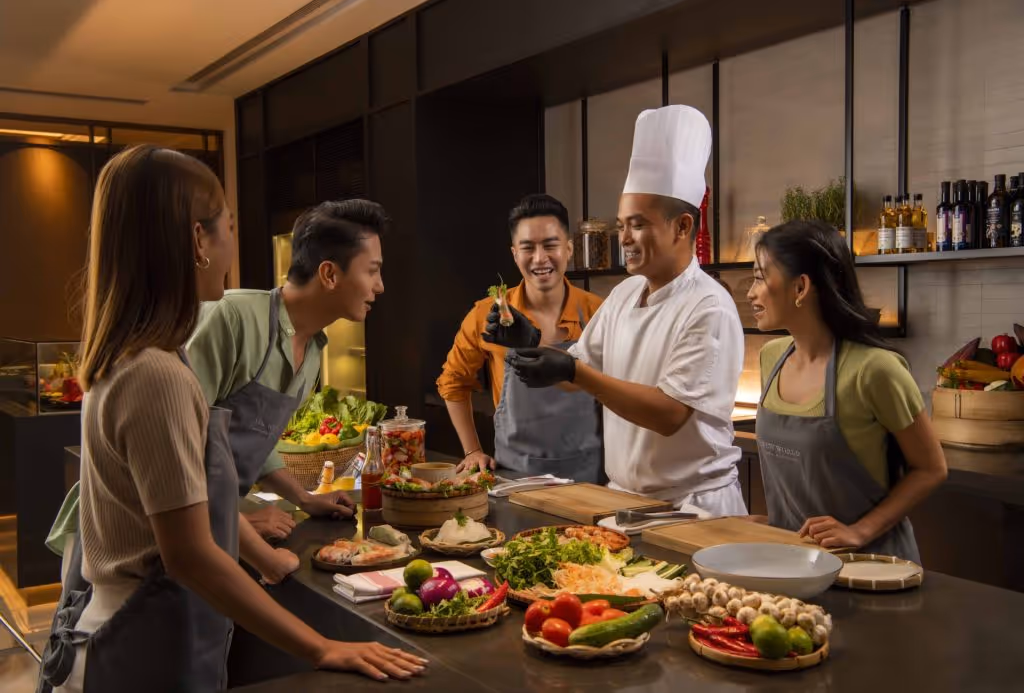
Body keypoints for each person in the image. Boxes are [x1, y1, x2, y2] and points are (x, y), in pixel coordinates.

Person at [39, 146, 425, 693]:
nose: (232, 245)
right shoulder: (158, 374)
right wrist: (322, 646)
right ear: (198, 240)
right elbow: (192, 554)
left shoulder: (142, 358)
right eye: (228, 226)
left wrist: (287, 505)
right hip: (142, 638)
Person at [488, 106, 746, 515]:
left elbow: (669, 413)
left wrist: (575, 372)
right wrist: (531, 343)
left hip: (692, 509)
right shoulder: (626, 293)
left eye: (637, 224)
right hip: (624, 502)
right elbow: (578, 367)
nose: (623, 238)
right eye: (621, 224)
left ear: (682, 227)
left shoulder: (708, 305)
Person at [186, 198, 388, 539]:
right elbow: (173, 442)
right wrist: (241, 524)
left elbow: (252, 441)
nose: (380, 285)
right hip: (150, 533)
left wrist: (304, 498)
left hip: (213, 524)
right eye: (372, 270)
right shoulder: (233, 318)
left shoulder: (313, 349)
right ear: (329, 274)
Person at [747, 220, 947, 561]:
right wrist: (773, 523)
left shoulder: (875, 370)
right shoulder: (772, 357)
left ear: (800, 287)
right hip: (795, 562)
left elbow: (931, 468)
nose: (751, 291)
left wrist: (860, 530)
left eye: (760, 276)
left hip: (870, 566)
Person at [437, 194, 604, 481]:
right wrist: (472, 451)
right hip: (514, 475)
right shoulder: (486, 315)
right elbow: (452, 382)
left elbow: (616, 385)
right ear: (515, 254)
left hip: (590, 474)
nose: (540, 258)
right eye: (528, 248)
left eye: (551, 245)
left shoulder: (598, 312)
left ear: (568, 249)